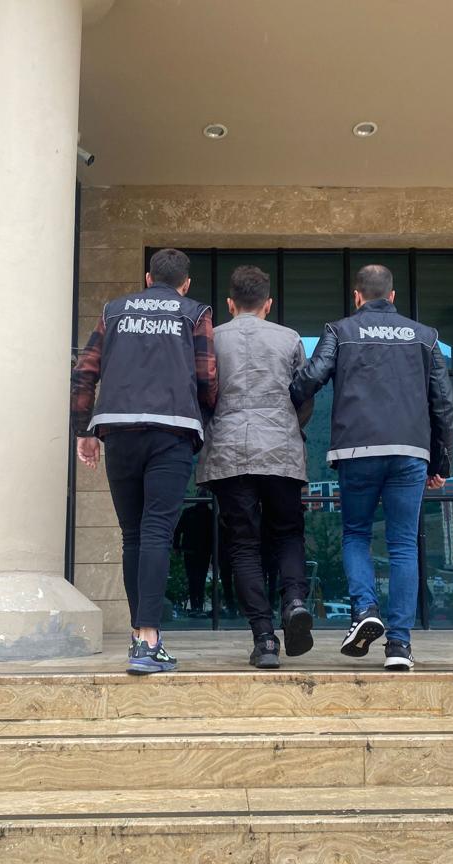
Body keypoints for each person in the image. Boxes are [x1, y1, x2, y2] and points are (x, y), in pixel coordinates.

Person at [290, 264, 453, 671]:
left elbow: (310, 378)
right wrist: (440, 460)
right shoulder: (425, 336)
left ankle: (365, 609)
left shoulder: (339, 331)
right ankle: (399, 645)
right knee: (403, 545)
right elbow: (443, 403)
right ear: (392, 296)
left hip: (356, 449)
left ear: (357, 296)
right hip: (409, 451)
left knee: (356, 534)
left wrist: (286, 393)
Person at [71, 248, 217, 674]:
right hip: (172, 431)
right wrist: (202, 418)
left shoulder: (113, 311)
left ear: (148, 278)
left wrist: (84, 430)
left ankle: (140, 636)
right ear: (185, 283)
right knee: (156, 532)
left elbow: (85, 371)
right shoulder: (194, 312)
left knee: (132, 535)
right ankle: (149, 641)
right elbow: (208, 376)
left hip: (118, 430)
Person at [197, 265, 314, 668]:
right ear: (268, 304)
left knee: (243, 545)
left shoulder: (212, 339)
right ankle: (294, 601)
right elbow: (304, 396)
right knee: (288, 533)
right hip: (281, 449)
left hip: (229, 452)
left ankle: (264, 639)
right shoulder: (290, 338)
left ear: (230, 304)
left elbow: (202, 391)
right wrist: (290, 427)